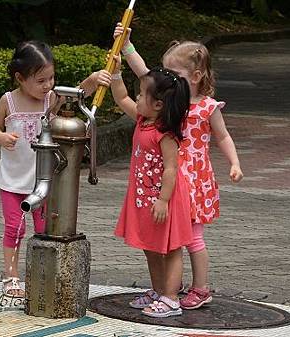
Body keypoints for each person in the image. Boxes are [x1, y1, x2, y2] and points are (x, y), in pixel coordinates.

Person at [114, 24, 244, 309]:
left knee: (191, 238)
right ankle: (169, 288)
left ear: (196, 76)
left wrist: (234, 162)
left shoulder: (206, 107)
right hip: (169, 181)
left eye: (177, 74)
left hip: (193, 181)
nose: (170, 78)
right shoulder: (171, 102)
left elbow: (222, 136)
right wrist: (126, 46)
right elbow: (145, 75)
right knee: (170, 239)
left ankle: (200, 287)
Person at [0, 40, 111, 297]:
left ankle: (44, 275)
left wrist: (92, 79)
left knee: (45, 230)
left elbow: (78, 93)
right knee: (15, 228)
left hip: (44, 181)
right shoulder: (8, 102)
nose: (48, 85)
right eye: (41, 80)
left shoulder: (51, 101)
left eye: (51, 78)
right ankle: (10, 275)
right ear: (20, 78)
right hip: (12, 181)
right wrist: (0, 137)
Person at [110, 53, 193, 317]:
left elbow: (171, 168)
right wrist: (115, 75)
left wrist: (164, 200)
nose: (136, 98)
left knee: (170, 249)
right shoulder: (142, 120)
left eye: (141, 94)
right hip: (144, 200)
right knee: (151, 247)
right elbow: (121, 97)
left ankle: (171, 298)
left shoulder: (165, 133)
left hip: (163, 201)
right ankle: (158, 291)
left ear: (158, 104)